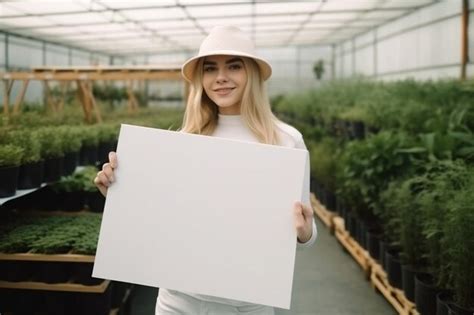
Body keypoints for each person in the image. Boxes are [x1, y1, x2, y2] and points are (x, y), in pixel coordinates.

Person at [94, 25, 317, 315]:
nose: (221, 77)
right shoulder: (184, 139)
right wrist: (120, 193)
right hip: (176, 302)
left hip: (247, 305)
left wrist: (304, 232)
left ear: (252, 74)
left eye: (234, 66)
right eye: (210, 69)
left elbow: (304, 237)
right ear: (201, 79)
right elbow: (161, 218)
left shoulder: (286, 142)